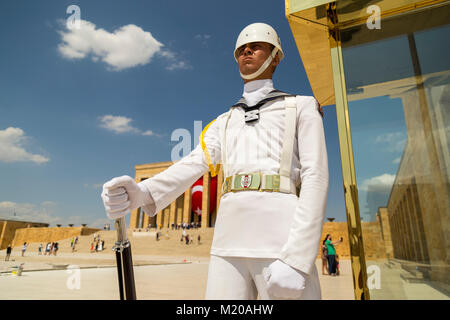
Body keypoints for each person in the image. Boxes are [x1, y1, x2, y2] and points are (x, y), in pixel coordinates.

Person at [102, 22, 328, 300]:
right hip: (228, 242)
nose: (246, 51)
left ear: (276, 57)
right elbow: (193, 163)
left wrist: (299, 257)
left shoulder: (302, 106)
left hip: (280, 240)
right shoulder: (225, 121)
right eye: (240, 49)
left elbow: (316, 177)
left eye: (256, 46)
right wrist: (144, 192)